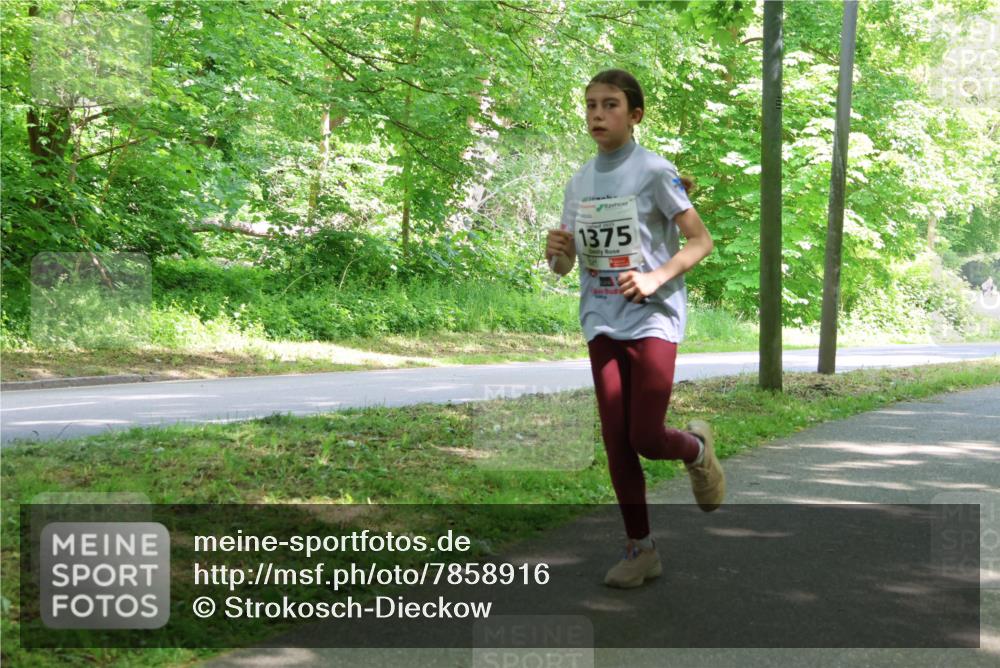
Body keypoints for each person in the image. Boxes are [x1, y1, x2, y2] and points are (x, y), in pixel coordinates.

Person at [544, 69, 724, 589]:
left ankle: (694, 449)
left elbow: (699, 242)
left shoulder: (654, 172)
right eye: (590, 105)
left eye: (610, 105)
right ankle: (641, 548)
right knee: (617, 441)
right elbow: (565, 267)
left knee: (645, 435)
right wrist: (557, 254)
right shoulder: (579, 181)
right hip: (600, 317)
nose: (597, 114)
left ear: (635, 115)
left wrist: (653, 278)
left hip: (652, 317)